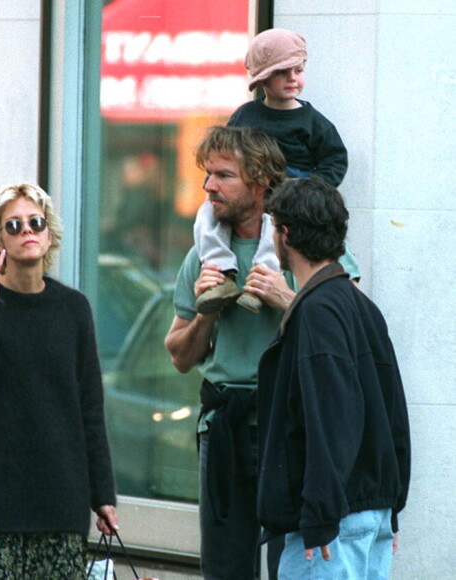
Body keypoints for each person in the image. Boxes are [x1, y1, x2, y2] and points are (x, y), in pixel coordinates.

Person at [165, 126, 358, 580]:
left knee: (293, 566)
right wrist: (206, 315)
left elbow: (351, 332)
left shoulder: (308, 243)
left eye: (223, 176)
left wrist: (286, 298)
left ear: (260, 182)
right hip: (225, 425)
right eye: (208, 174)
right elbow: (178, 355)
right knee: (225, 569)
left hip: (291, 425)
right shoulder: (205, 252)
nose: (209, 186)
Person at [0, 183, 118, 579]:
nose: (28, 230)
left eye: (36, 222)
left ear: (49, 233)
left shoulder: (73, 308)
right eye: (15, 225)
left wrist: (103, 495)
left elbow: (90, 407)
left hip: (60, 502)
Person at [258, 177, 411, 579]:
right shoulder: (361, 306)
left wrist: (320, 516)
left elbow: (332, 417)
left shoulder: (318, 311)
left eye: (272, 227)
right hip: (368, 513)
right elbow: (394, 412)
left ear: (285, 232)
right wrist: (392, 505)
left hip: (334, 529)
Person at [194, 28, 352, 314]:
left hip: (287, 198)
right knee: (205, 216)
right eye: (283, 72)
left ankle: (260, 282)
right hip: (251, 197)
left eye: (298, 70)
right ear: (262, 79)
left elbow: (335, 159)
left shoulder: (313, 122)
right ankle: (221, 274)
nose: (293, 78)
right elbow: (224, 154)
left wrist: (308, 188)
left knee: (274, 229)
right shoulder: (245, 115)